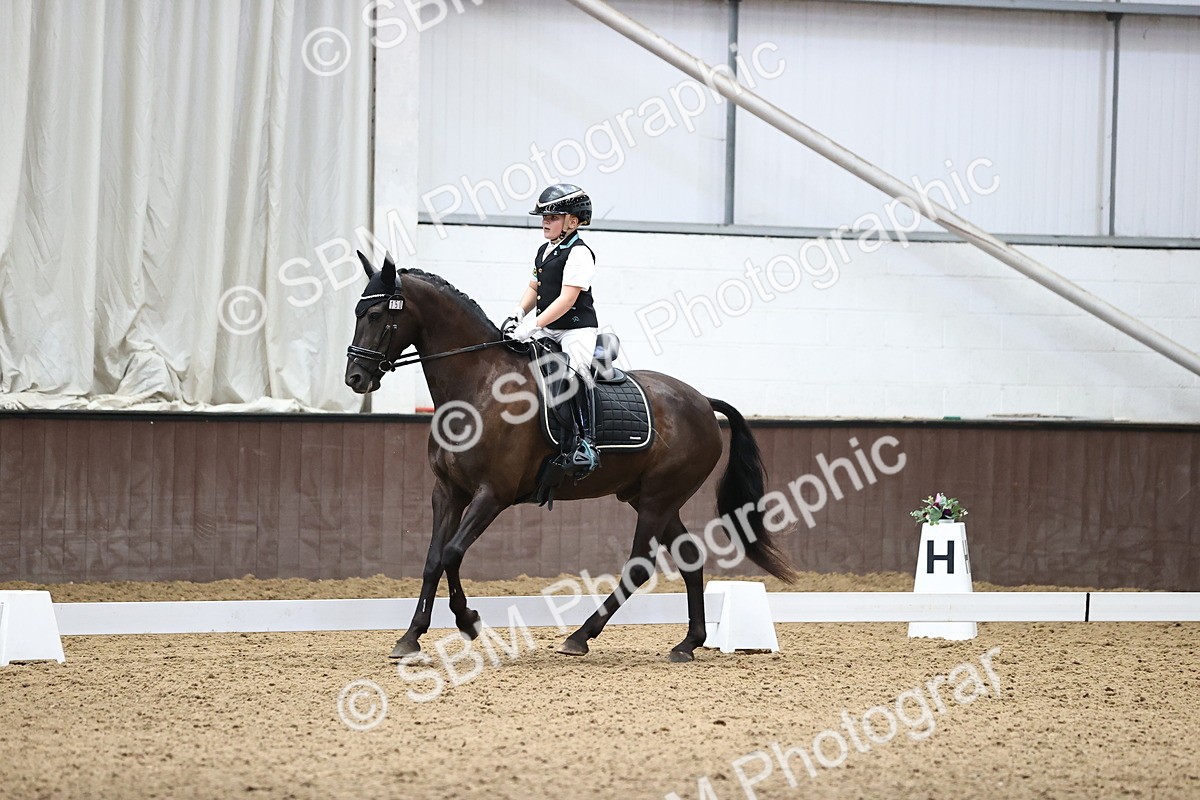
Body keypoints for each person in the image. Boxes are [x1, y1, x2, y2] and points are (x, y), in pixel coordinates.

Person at [506, 183, 600, 479]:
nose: (545, 222)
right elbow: (534, 287)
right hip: (548, 328)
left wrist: (532, 325)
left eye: (553, 216)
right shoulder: (544, 250)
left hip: (576, 330)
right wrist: (517, 314)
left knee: (575, 375)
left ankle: (586, 441)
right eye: (544, 217)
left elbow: (567, 299)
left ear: (572, 222)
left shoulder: (580, 254)